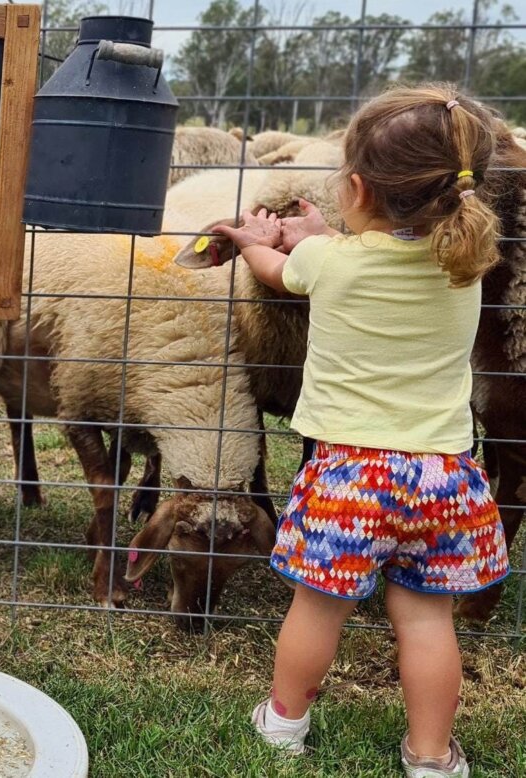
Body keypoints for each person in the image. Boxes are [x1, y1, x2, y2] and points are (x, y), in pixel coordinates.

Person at [216, 84, 510, 778]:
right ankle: (431, 756)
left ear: (355, 186)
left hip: (350, 477)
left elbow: (281, 268)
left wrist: (259, 239)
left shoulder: (329, 263)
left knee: (317, 611)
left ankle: (284, 724)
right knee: (427, 621)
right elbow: (376, 254)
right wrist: (331, 234)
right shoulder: (464, 267)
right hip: (444, 480)